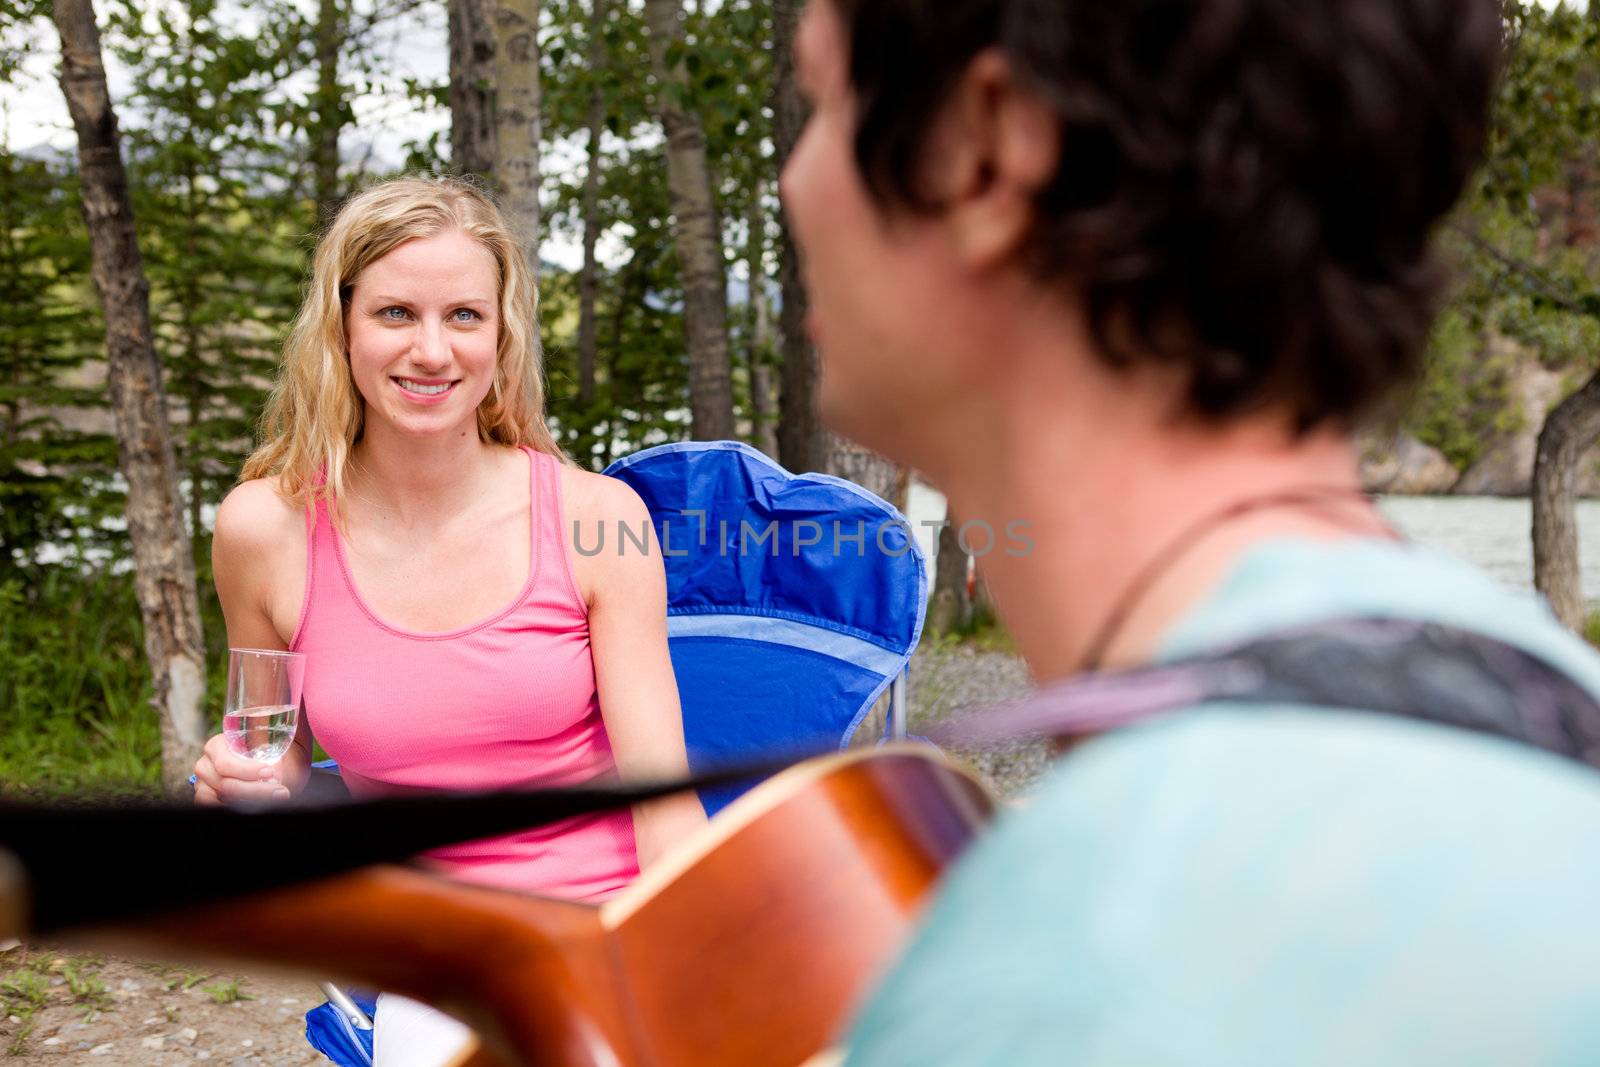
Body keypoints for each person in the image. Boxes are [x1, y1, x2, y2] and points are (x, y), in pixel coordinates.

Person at [780, 0, 1600, 1063]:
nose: (798, 180)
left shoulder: (1079, 952)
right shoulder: (1536, 693)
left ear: (986, 152)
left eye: (823, 103)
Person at [191, 177, 706, 1065]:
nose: (432, 351)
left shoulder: (599, 519)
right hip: (438, 952)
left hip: (616, 922)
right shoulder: (263, 530)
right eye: (396, 313)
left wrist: (710, 965)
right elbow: (273, 740)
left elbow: (666, 809)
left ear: (501, 335)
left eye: (464, 316)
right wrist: (244, 774)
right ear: (342, 327)